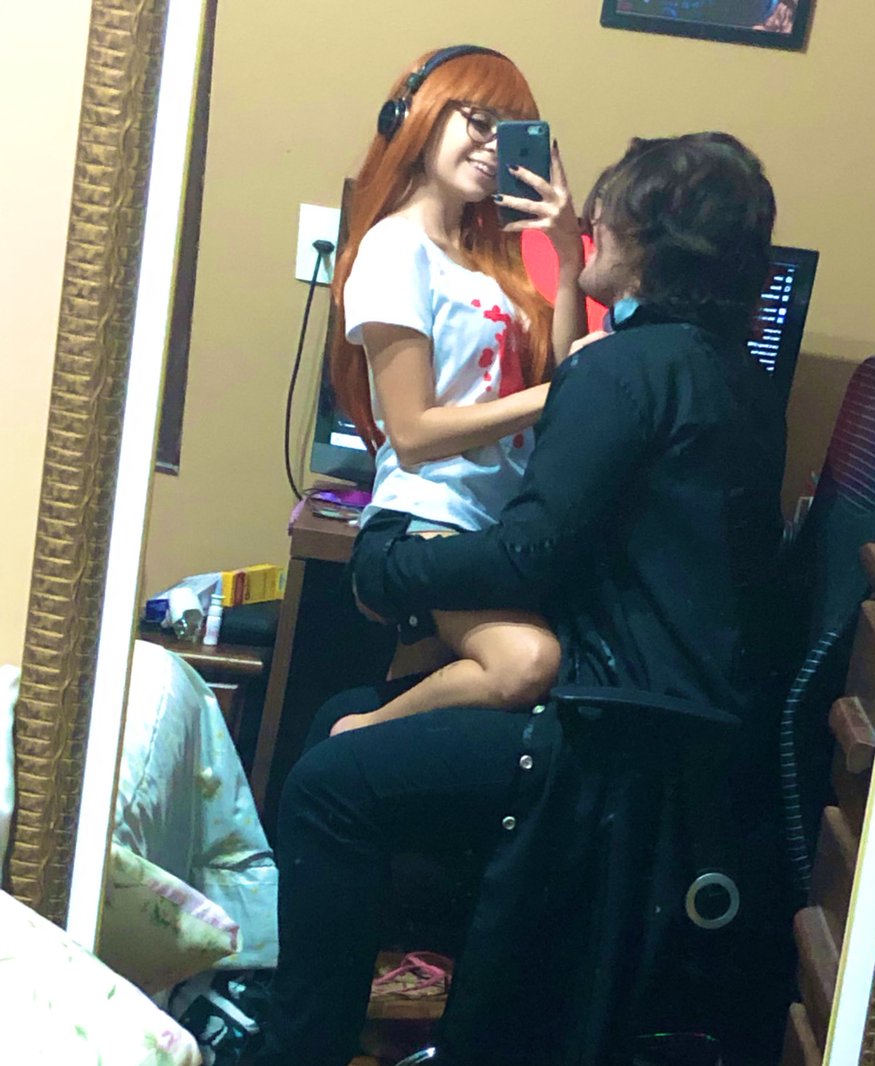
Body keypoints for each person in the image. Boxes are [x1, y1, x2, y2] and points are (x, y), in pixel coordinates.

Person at [256, 131, 788, 1066]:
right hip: (666, 731)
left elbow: (529, 554)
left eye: (607, 212)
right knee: (344, 714)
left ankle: (297, 1049)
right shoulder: (730, 375)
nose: (591, 221)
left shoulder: (625, 371)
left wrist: (389, 571)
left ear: (647, 235)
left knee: (328, 785)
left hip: (606, 744)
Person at [327, 44, 585, 737]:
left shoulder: (486, 263)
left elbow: (560, 382)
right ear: (418, 115)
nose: (494, 146)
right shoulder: (394, 248)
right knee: (530, 661)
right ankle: (356, 736)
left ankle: (357, 759)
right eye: (479, 121)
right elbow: (412, 434)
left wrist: (567, 256)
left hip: (489, 527)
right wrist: (561, 395)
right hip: (421, 523)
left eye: (512, 132)